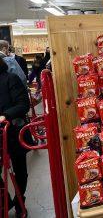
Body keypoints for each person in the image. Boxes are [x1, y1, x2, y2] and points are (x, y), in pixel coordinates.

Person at [0, 57, 31, 217]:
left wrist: (5, 116)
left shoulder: (10, 78)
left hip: (14, 132)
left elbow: (23, 104)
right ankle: (5, 202)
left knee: (19, 170)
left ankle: (19, 201)